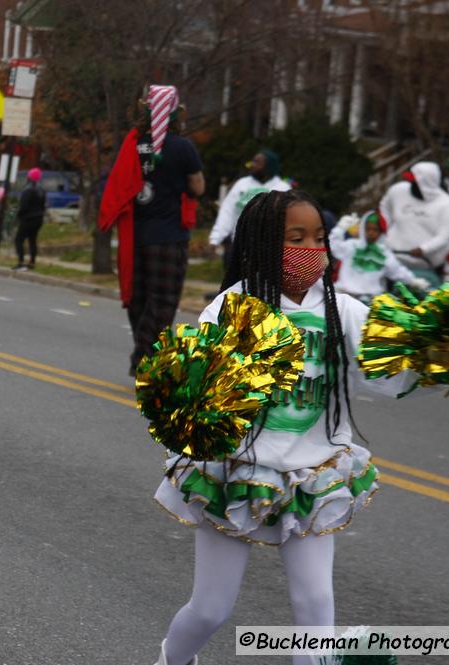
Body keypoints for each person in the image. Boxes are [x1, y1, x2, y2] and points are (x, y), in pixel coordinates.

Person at [152, 189, 418, 665]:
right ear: (261, 244)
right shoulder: (232, 309)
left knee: (316, 607)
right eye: (296, 238)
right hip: (236, 475)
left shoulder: (344, 310)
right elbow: (197, 393)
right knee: (212, 608)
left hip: (313, 478)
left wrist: (434, 357)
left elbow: (387, 377)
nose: (311, 250)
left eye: (319, 237)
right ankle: (171, 659)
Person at [98, 84, 205, 375]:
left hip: (135, 237)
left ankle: (144, 353)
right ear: (174, 113)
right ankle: (144, 357)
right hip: (169, 237)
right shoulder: (183, 147)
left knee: (139, 300)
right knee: (162, 302)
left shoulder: (133, 143)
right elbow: (198, 186)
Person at [379, 162, 449, 285]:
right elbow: (384, 206)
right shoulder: (397, 191)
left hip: (427, 266)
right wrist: (384, 230)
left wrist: (424, 249)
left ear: (426, 184)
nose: (410, 185)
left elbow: (445, 235)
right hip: (394, 262)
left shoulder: (448, 205)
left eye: (414, 182)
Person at [208, 149, 291, 257]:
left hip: (271, 250)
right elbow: (227, 212)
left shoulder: (283, 188)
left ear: (269, 166)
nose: (252, 165)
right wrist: (215, 239)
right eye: (253, 161)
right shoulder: (242, 184)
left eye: (257, 162)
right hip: (240, 246)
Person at [329, 210, 427, 301]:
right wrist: (340, 229)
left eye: (375, 230)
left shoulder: (383, 253)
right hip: (345, 296)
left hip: (370, 299)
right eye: (368, 229)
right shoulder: (352, 246)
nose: (371, 233)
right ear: (362, 228)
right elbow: (333, 245)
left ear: (381, 232)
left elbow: (397, 271)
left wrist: (412, 281)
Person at [13, 167, 47, 270]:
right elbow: (43, 205)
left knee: (18, 240)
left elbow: (24, 206)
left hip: (28, 218)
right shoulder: (42, 190)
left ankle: (21, 262)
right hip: (38, 218)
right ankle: (32, 262)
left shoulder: (27, 190)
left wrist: (18, 215)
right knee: (32, 240)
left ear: (29, 177)